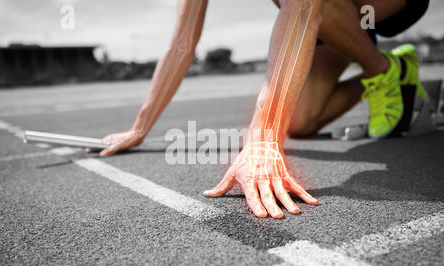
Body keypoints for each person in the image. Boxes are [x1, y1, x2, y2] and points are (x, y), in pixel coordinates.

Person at [95, 0, 429, 219]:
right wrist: (140, 128)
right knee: (301, 121)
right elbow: (182, 45)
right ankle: (398, 68)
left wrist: (263, 141)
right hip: (336, 16)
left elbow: (303, 7)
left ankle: (378, 69)